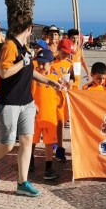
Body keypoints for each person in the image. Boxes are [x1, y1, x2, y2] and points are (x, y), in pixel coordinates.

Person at [0, 12, 64, 197]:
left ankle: (22, 182)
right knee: (7, 145)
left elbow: (29, 70)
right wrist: (23, 62)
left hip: (26, 102)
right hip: (8, 103)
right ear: (29, 28)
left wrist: (49, 81)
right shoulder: (9, 46)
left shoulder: (25, 47)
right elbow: (4, 72)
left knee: (27, 140)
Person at [30, 48, 64, 180]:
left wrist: (61, 99)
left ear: (51, 63)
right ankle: (30, 160)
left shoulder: (56, 79)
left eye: (43, 64)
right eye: (39, 63)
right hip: (34, 116)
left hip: (49, 117)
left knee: (49, 143)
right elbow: (28, 92)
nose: (40, 66)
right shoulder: (33, 77)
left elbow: (60, 99)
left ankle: (48, 168)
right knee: (32, 140)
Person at [51, 38, 75, 162]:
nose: (66, 55)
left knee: (61, 122)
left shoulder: (69, 63)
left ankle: (58, 147)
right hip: (51, 97)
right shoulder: (51, 62)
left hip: (63, 97)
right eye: (64, 53)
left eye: (68, 53)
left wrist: (70, 82)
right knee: (53, 122)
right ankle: (55, 145)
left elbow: (72, 77)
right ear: (58, 49)